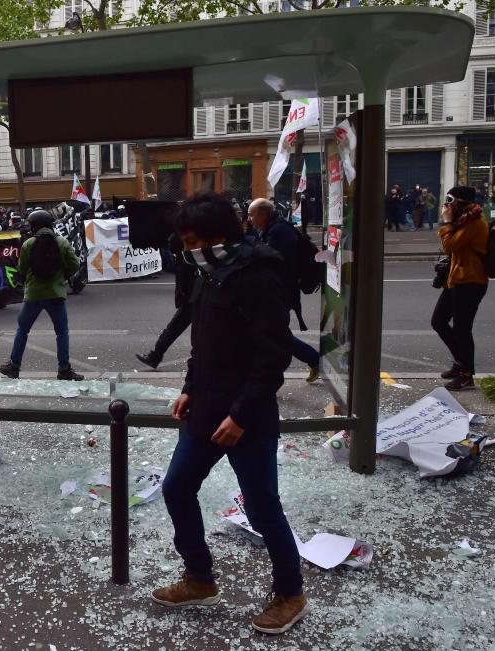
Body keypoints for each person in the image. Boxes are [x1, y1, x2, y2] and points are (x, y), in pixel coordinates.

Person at [151, 193, 306, 635]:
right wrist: (187, 388)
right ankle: (199, 577)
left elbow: (272, 358)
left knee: (261, 509)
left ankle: (290, 592)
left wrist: (240, 415)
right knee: (177, 488)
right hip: (204, 409)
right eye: (185, 242)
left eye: (196, 240)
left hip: (248, 420)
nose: (189, 249)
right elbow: (204, 344)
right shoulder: (207, 273)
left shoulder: (257, 275)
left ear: (222, 236)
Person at [0, 210, 83, 381]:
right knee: (62, 332)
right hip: (56, 293)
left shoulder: (28, 244)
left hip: (33, 295)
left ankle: (14, 366)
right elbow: (75, 264)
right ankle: (64, 369)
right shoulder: (62, 242)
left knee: (23, 330)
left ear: (35, 226)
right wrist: (62, 276)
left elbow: (21, 270)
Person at [247, 198, 321, 383]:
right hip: (276, 292)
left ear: (263, 214)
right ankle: (313, 360)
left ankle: (266, 378)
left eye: (251, 214)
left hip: (280, 293)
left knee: (272, 334)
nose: (249, 218)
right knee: (274, 333)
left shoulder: (279, 231)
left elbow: (276, 264)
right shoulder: (271, 229)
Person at [431, 186, 490, 392]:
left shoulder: (474, 222)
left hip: (471, 282)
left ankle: (466, 375)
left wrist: (446, 222)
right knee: (438, 321)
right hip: (456, 279)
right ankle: (459, 363)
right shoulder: (463, 219)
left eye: (450, 199)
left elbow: (449, 246)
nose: (446, 204)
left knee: (462, 329)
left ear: (461, 203)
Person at [135, 232, 195, 369]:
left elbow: (184, 282)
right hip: (192, 299)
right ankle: (155, 356)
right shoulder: (187, 255)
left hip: (193, 299)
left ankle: (155, 356)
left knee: (174, 330)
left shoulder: (187, 257)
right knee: (174, 330)